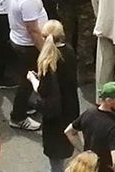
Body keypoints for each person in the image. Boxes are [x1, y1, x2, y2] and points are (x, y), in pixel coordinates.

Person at [32, 20, 80, 172]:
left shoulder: (48, 61)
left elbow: (43, 91)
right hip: (70, 108)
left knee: (56, 159)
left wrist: (33, 79)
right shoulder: (70, 52)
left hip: (55, 115)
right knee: (66, 148)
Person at [7, 0, 48, 131]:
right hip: (28, 45)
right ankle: (18, 117)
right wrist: (45, 50)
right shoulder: (28, 0)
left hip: (16, 38)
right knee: (26, 81)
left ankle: (28, 105)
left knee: (25, 76)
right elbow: (33, 30)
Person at [65, 82, 115, 172]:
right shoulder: (114, 128)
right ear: (108, 101)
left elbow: (69, 131)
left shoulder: (89, 113)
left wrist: (85, 152)